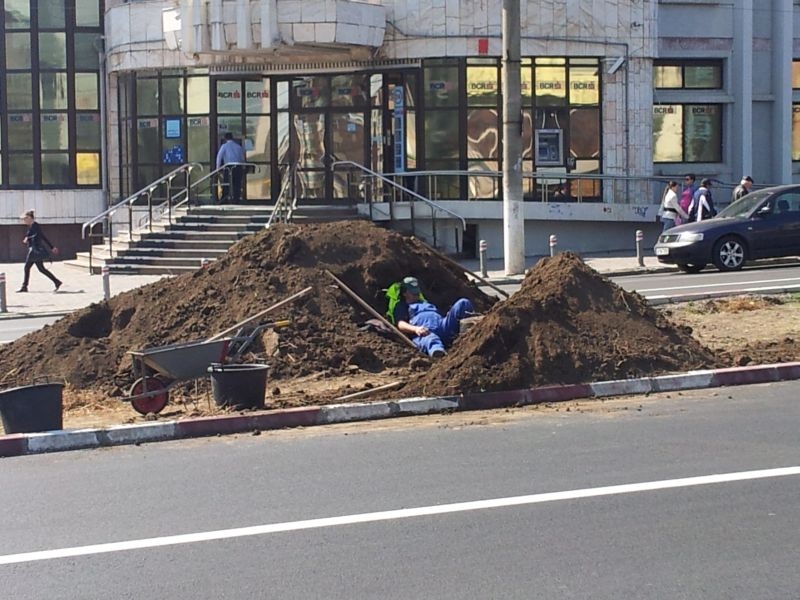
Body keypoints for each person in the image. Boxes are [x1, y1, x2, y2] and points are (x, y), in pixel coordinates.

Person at [392, 276, 474, 358]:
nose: (416, 295)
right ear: (404, 293)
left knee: (463, 303)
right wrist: (416, 329)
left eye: (417, 292)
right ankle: (439, 354)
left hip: (442, 326)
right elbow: (400, 324)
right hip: (425, 331)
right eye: (413, 293)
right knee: (431, 340)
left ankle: (468, 335)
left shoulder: (424, 302)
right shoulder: (401, 306)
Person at [17, 210, 62, 293]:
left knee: (27, 267)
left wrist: (52, 247)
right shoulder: (31, 226)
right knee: (41, 269)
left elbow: (39, 236)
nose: (24, 221)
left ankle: (24, 286)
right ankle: (56, 282)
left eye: (25, 219)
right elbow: (38, 236)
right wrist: (27, 238)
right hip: (34, 251)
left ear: (30, 218)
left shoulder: (35, 226)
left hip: (35, 251)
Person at [215, 132, 247, 203]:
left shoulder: (224, 146)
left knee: (227, 183)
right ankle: (236, 199)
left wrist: (218, 168)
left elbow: (219, 157)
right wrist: (244, 167)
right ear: (232, 138)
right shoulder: (238, 146)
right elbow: (242, 158)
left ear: (225, 138)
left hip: (228, 167)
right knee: (237, 184)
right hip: (238, 167)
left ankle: (225, 198)